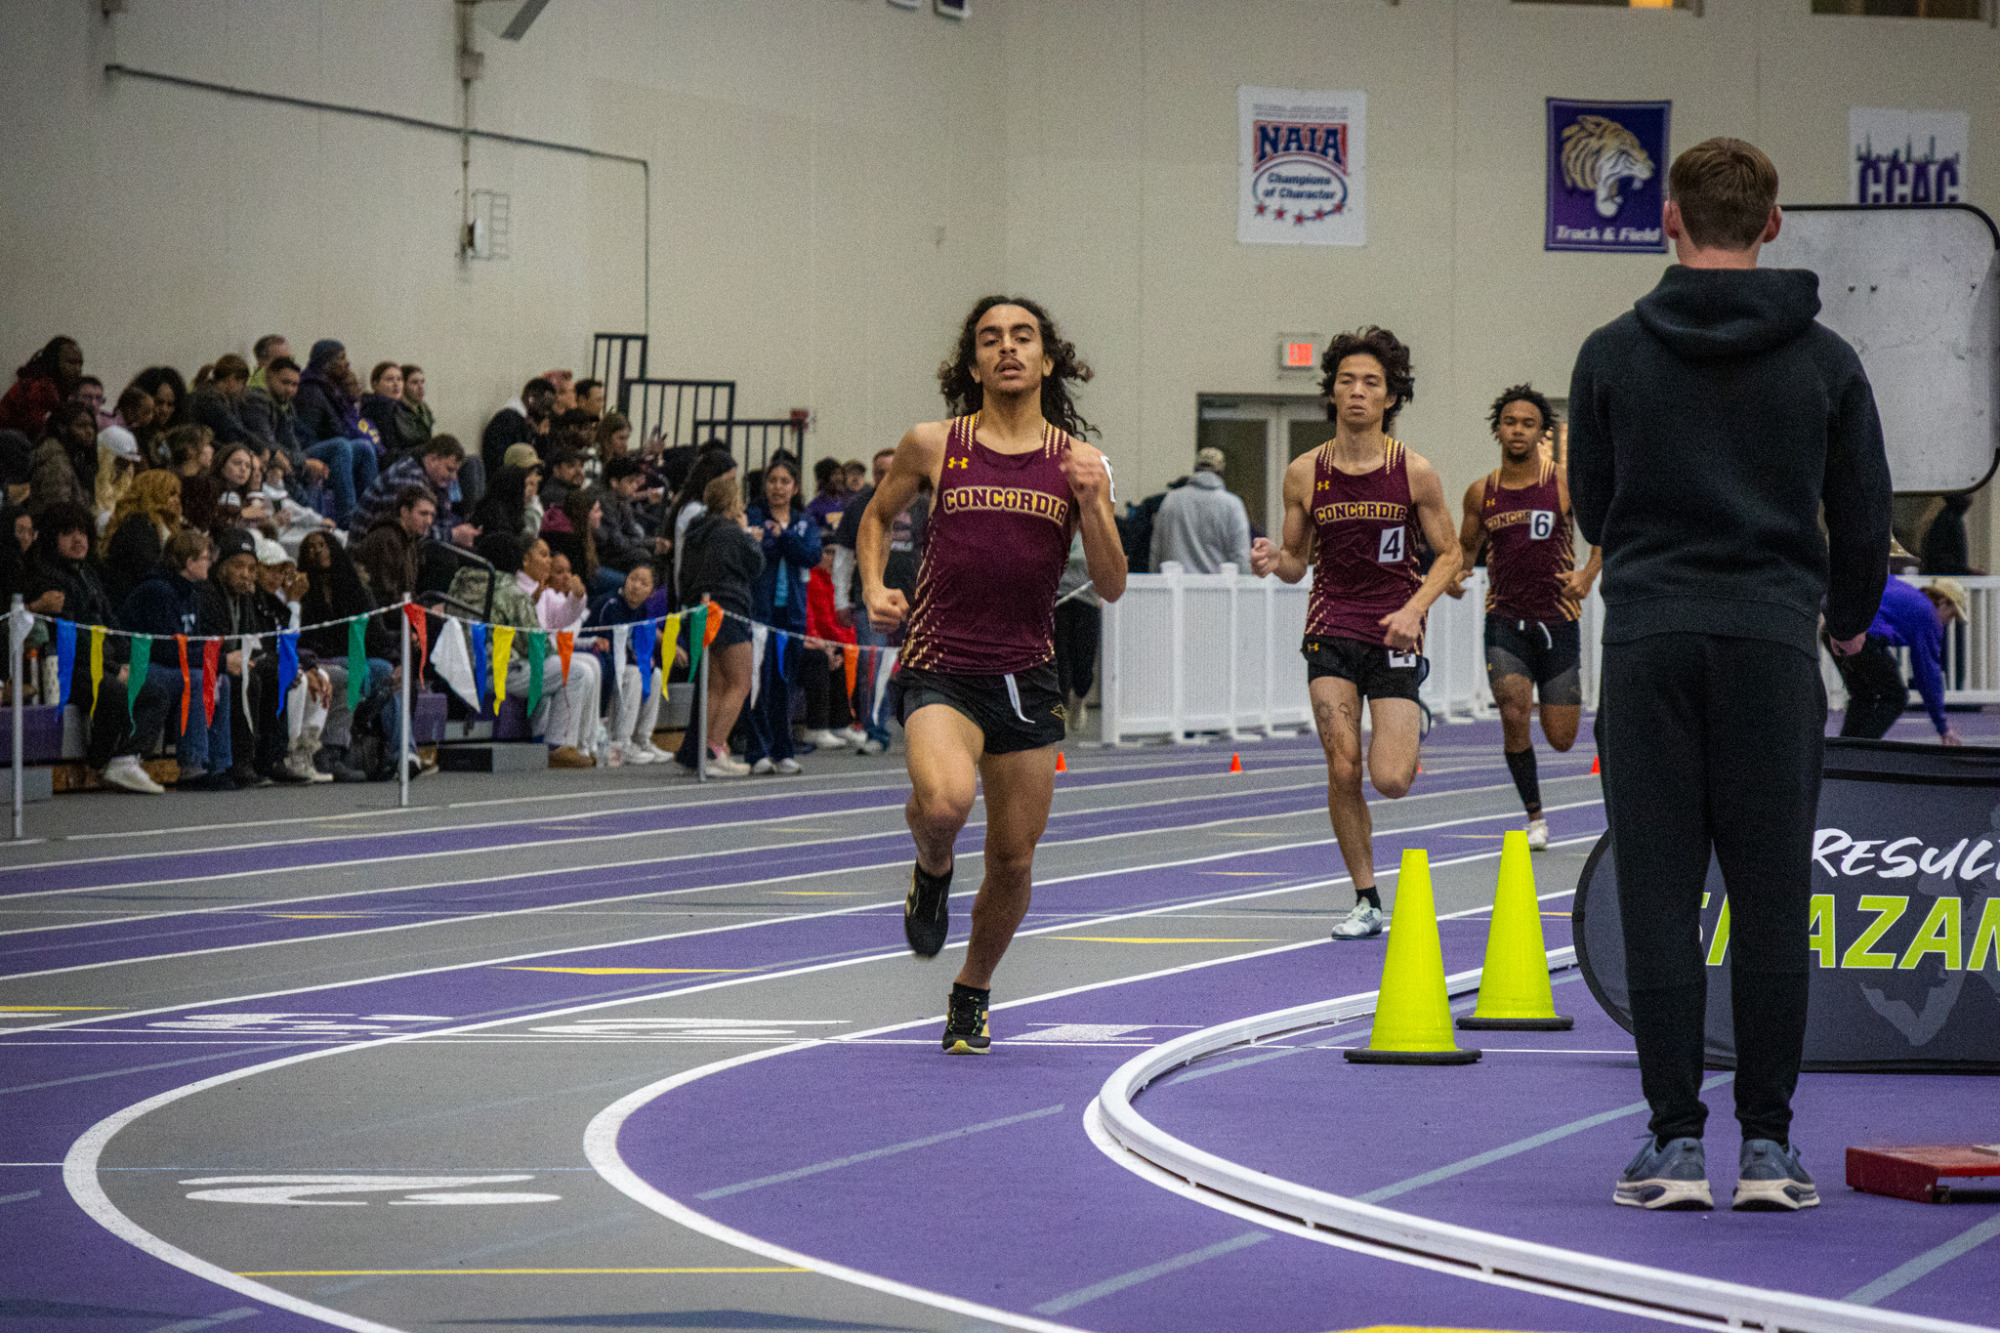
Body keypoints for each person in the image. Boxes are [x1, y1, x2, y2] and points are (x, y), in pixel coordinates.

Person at [1569, 137, 1892, 1212]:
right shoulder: (1827, 362)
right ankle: (1766, 1147)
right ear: (1771, 222)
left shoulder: (1609, 352)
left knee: (1658, 893)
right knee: (1767, 900)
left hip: (1650, 639)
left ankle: (1669, 1144)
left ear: (1666, 219)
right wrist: (1843, 626)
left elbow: (1589, 508)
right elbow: (1861, 518)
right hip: (1766, 643)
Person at [861, 296, 1126, 1055]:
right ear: (972, 363)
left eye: (1023, 337)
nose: (1007, 348)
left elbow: (1110, 584)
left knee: (1012, 857)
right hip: (941, 662)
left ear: (1047, 359)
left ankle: (972, 988)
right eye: (990, 339)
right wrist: (876, 586)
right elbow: (877, 518)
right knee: (944, 803)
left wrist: (1095, 500)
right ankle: (931, 862)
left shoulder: (1077, 461)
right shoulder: (933, 444)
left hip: (1025, 677)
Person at [1251, 327, 1460, 941]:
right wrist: (1273, 560)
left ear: (1391, 396)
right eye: (1347, 381)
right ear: (1332, 392)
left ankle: (1407, 730)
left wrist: (1414, 609)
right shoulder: (1303, 473)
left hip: (1394, 635)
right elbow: (1296, 564)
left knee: (1389, 780)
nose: (1358, 392)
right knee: (1342, 766)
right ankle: (1366, 897)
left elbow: (1449, 556)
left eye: (1371, 383)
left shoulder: (1414, 473)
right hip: (1331, 630)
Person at [1445, 384, 1601, 850]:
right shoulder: (1481, 493)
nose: (1518, 430)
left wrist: (1588, 574)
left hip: (1557, 621)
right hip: (1505, 621)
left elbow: (1604, 532)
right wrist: (1454, 576)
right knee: (1513, 711)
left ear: (1541, 433)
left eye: (1528, 423)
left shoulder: (1564, 484)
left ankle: (1539, 797)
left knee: (1561, 738)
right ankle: (1535, 816)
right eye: (1510, 422)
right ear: (1498, 429)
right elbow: (1466, 548)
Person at [22, 502, 168, 794]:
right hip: (68, 668)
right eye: (68, 533)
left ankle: (125, 759)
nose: (78, 539)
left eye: (83, 532)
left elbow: (111, 624)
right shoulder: (44, 578)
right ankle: (97, 762)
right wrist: (115, 670)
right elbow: (73, 637)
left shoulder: (89, 574)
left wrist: (128, 661)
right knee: (112, 692)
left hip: (104, 663)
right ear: (52, 537)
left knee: (156, 692)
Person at [453, 532, 601, 768]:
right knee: (573, 671)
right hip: (497, 671)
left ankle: (572, 743)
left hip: (460, 667)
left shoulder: (461, 583)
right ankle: (558, 745)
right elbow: (536, 647)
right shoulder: (511, 591)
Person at [120, 528, 238, 789]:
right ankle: (192, 766)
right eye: (205, 558)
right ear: (189, 562)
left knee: (221, 681)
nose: (210, 563)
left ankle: (219, 764)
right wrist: (218, 662)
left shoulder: (192, 592)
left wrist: (218, 665)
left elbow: (191, 646)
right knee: (196, 679)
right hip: (138, 665)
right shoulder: (159, 591)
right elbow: (166, 651)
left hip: (166, 663)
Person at [831, 446, 929, 753]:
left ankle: (924, 730)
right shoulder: (859, 506)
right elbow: (844, 558)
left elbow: (936, 554)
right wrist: (840, 600)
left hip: (916, 602)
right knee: (870, 667)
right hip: (871, 604)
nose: (885, 478)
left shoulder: (922, 505)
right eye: (879, 473)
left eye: (891, 471)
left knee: (921, 669)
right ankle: (876, 732)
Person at [673, 475, 762, 777]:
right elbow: (756, 563)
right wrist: (748, 532)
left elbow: (683, 576)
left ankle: (704, 751)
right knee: (740, 682)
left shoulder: (694, 532)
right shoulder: (731, 532)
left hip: (699, 608)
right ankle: (715, 747)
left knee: (715, 684)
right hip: (728, 607)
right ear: (733, 503)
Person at [744, 456, 821, 775]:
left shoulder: (805, 521)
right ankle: (756, 751)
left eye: (784, 481)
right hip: (760, 612)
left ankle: (783, 750)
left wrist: (783, 536)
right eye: (772, 480)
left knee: (784, 684)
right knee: (757, 683)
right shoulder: (753, 515)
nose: (777, 487)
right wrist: (778, 541)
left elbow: (811, 555)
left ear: (795, 487)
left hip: (792, 617)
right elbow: (757, 553)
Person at [1832, 576, 1964, 743]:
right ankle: (1861, 750)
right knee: (1895, 697)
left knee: (1862, 695)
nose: (1948, 623)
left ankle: (1844, 752)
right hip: (1862, 636)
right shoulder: (1929, 615)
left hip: (1835, 629)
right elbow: (1927, 674)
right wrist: (1943, 727)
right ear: (1944, 602)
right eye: (1951, 616)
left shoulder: (1908, 595)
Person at [587, 564, 672, 766]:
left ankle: (642, 739)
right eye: (633, 579)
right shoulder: (610, 604)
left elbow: (640, 647)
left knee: (655, 674)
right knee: (634, 674)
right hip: (603, 662)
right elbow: (601, 643)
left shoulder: (643, 610)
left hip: (623, 664)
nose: (635, 586)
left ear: (651, 593)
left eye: (643, 583)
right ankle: (621, 742)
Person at [291, 342, 380, 523]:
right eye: (341, 358)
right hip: (307, 451)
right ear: (326, 363)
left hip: (333, 447)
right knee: (341, 446)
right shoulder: (311, 390)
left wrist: (349, 393)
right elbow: (305, 435)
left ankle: (370, 513)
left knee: (364, 447)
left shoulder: (332, 388)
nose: (346, 363)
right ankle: (348, 517)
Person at [349, 435, 476, 545]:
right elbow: (409, 530)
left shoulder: (435, 482)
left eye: (456, 472)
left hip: (393, 551)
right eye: (449, 469)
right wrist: (453, 535)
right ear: (433, 459)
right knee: (443, 561)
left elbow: (441, 527)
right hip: (369, 557)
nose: (454, 478)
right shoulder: (406, 477)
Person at [1150, 446, 1252, 574]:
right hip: (1218, 591)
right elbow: (1241, 556)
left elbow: (1156, 550)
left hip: (1178, 589)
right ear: (1221, 472)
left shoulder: (1171, 499)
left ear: (1195, 469)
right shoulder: (1232, 505)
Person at [353, 485, 433, 605]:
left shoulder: (410, 539)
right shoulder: (386, 539)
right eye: (423, 514)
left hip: (400, 612)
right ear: (405, 511)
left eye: (431, 515)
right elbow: (385, 597)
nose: (429, 521)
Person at [0, 337, 84, 439]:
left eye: (80, 363)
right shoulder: (38, 387)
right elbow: (37, 430)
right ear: (54, 362)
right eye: (71, 362)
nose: (77, 369)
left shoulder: (67, 389)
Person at [482, 377, 557, 475]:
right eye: (545, 407)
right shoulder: (508, 420)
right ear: (531, 399)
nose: (546, 413)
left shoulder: (523, 422)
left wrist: (540, 437)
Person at [189, 355, 253, 447]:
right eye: (241, 382)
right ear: (231, 378)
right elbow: (230, 433)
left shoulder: (230, 400)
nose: (243, 387)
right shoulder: (207, 400)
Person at [360, 361, 408, 461]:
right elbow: (390, 447)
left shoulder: (401, 408)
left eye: (399, 379)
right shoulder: (377, 408)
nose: (396, 384)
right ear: (375, 385)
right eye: (389, 379)